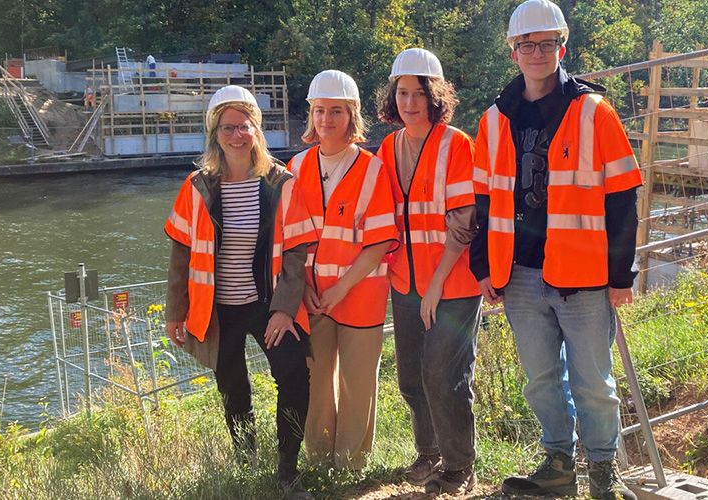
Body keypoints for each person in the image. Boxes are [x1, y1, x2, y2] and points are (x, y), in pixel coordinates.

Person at [469, 1, 643, 499]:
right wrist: (484, 268)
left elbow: (623, 197)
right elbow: (482, 200)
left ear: (561, 47)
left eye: (547, 44)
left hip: (583, 275)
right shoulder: (494, 118)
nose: (537, 53)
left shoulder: (593, 111)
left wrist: (620, 275)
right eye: (528, 45)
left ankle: (603, 473)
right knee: (541, 380)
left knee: (594, 383)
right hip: (519, 273)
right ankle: (558, 463)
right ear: (513, 52)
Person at [163, 85, 314, 500]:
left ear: (256, 130)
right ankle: (247, 465)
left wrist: (284, 309)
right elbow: (181, 252)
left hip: (268, 305)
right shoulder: (197, 187)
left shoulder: (281, 182)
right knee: (233, 390)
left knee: (295, 378)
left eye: (243, 126)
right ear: (215, 133)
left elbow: (298, 251)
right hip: (218, 309)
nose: (236, 135)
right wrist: (176, 312)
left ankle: (288, 470)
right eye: (227, 127)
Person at [374, 48, 482, 494]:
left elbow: (464, 223)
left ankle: (460, 467)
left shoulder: (456, 145)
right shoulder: (387, 146)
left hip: (452, 284)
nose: (410, 102)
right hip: (406, 281)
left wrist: (436, 286)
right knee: (411, 377)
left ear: (435, 97)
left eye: (420, 93)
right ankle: (430, 451)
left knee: (443, 373)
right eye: (402, 93)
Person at [284, 69, 398, 470]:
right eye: (319, 110)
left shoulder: (372, 168)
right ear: (310, 114)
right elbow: (288, 241)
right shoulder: (295, 168)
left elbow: (380, 241)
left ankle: (350, 467)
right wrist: (300, 290)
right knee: (315, 383)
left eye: (336, 111)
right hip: (311, 296)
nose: (326, 120)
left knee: (358, 384)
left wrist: (340, 289)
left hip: (360, 294)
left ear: (352, 115)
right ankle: (318, 464)